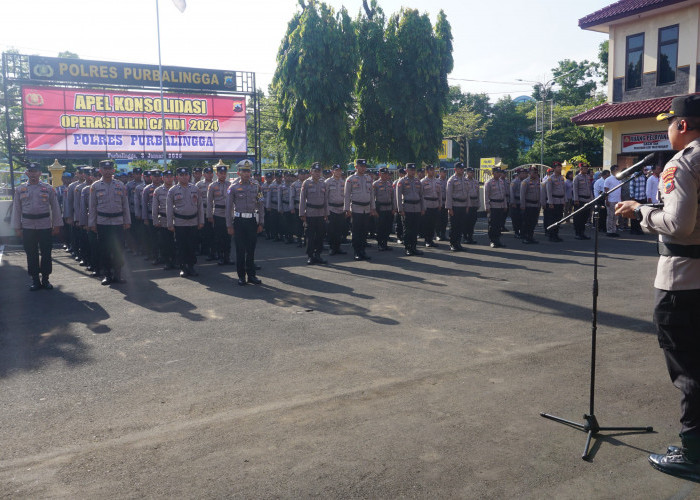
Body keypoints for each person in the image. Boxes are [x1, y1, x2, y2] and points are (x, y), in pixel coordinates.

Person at [615, 94, 700, 481]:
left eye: (669, 122)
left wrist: (641, 211)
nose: (667, 129)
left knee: (688, 369)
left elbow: (679, 226)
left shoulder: (683, 163)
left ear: (682, 125)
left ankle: (694, 454)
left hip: (683, 282)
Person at [11, 162, 63, 290]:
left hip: (44, 225)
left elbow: (55, 208)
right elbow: (16, 209)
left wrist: (56, 225)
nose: (33, 174)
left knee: (46, 253)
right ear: (26, 173)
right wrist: (17, 227)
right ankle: (35, 280)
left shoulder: (48, 188)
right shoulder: (20, 189)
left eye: (35, 171)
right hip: (28, 226)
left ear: (40, 173)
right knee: (31, 254)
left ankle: (45, 279)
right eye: (30, 171)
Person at [88, 160, 131, 285]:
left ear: (113, 170)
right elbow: (92, 206)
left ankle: (118, 274)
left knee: (119, 249)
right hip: (102, 222)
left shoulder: (120, 185)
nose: (107, 171)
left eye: (109, 169)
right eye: (104, 169)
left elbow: (125, 205)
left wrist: (127, 221)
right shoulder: (95, 186)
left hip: (118, 222)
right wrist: (92, 223)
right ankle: (107, 274)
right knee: (104, 249)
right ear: (100, 170)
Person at [226, 160, 264, 285]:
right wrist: (229, 225)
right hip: (239, 221)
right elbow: (229, 208)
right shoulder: (233, 188)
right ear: (238, 173)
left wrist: (261, 223)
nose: (247, 174)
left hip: (252, 221)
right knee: (240, 250)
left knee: (251, 250)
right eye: (244, 171)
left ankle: (252, 275)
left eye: (248, 171)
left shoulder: (256, 186)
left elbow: (260, 205)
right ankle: (241, 276)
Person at [166, 167, 204, 278]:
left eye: (186, 175)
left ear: (189, 176)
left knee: (192, 246)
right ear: (177, 177)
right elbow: (169, 208)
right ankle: (183, 267)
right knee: (181, 246)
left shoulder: (195, 189)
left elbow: (200, 206)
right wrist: (170, 224)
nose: (184, 177)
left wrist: (201, 221)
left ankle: (191, 266)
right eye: (181, 175)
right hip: (180, 223)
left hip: (193, 222)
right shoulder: (172, 190)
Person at [344, 159, 375, 261]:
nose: (363, 168)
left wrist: (373, 208)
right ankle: (357, 252)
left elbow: (371, 195)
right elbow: (347, 195)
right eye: (360, 166)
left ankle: (363, 251)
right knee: (356, 231)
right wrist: (347, 209)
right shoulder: (350, 179)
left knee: (364, 231)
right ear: (356, 167)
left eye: (364, 166)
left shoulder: (368, 179)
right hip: (356, 209)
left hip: (366, 209)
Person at [299, 163, 328, 264]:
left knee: (320, 236)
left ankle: (318, 255)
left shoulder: (323, 183)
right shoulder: (306, 183)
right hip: (310, 213)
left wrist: (326, 213)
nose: (317, 173)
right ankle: (310, 256)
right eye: (315, 171)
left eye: (319, 171)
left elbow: (325, 199)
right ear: (311, 172)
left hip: (320, 213)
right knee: (310, 236)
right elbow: (302, 199)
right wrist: (302, 213)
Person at [396, 163, 424, 256]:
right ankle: (408, 248)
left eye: (414, 170)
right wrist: (400, 209)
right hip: (407, 208)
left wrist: (423, 208)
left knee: (415, 229)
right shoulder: (402, 181)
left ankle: (414, 247)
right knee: (407, 230)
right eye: (411, 170)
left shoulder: (417, 181)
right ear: (406, 170)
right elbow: (398, 197)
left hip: (417, 208)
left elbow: (421, 195)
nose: (413, 171)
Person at [207, 163, 232, 265]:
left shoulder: (230, 185)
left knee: (228, 237)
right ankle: (220, 257)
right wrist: (209, 215)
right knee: (219, 237)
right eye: (221, 173)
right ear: (217, 174)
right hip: (217, 214)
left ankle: (227, 257)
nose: (223, 175)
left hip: (228, 214)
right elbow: (209, 202)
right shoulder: (212, 186)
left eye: (224, 173)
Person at [152, 170, 176, 270]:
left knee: (176, 243)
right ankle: (167, 262)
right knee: (165, 243)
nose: (169, 178)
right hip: (164, 220)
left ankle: (176, 261)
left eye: (170, 177)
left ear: (173, 178)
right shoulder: (158, 191)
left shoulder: (177, 189)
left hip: (177, 220)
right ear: (163, 178)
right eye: (166, 177)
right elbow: (154, 207)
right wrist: (155, 220)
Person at [445, 162, 468, 251]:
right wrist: (449, 208)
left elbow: (467, 193)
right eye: (460, 169)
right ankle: (453, 244)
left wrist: (467, 205)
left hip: (463, 205)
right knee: (454, 226)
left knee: (461, 226)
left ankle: (458, 243)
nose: (462, 170)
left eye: (462, 169)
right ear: (455, 169)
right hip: (455, 206)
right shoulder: (451, 180)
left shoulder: (465, 180)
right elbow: (448, 195)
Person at [325, 164, 347, 256]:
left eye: (340, 170)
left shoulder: (343, 182)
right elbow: (325, 197)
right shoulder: (328, 182)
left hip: (341, 209)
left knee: (339, 229)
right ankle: (332, 248)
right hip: (331, 209)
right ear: (332, 171)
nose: (338, 172)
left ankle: (338, 247)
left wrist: (346, 209)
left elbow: (346, 196)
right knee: (331, 229)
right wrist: (325, 211)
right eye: (336, 170)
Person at [373, 167, 396, 251]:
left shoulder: (390, 183)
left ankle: (385, 243)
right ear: (380, 174)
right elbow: (373, 197)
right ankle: (380, 244)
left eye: (387, 174)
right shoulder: (376, 184)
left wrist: (394, 208)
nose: (386, 175)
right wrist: (374, 210)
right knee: (380, 227)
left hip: (389, 208)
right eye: (384, 174)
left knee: (387, 227)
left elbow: (393, 197)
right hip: (380, 208)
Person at [484, 167, 508, 248]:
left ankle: (498, 240)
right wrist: (487, 207)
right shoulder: (489, 183)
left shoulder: (501, 182)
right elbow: (486, 196)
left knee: (499, 224)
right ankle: (492, 241)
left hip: (500, 205)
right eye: (497, 172)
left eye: (499, 172)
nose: (499, 174)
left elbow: (504, 195)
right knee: (493, 224)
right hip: (493, 206)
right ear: (493, 173)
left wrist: (505, 205)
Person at [420, 164, 441, 248]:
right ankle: (427, 240)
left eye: (434, 170)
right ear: (427, 171)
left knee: (433, 223)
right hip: (427, 204)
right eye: (431, 170)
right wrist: (422, 207)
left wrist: (440, 204)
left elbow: (440, 194)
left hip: (435, 204)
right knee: (427, 224)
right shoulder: (423, 181)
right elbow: (421, 195)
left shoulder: (437, 181)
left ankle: (431, 239)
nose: (433, 171)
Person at [197, 166, 215, 260]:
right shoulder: (199, 185)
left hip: (214, 211)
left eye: (211, 173)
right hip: (203, 211)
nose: (209, 174)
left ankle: (213, 251)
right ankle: (205, 250)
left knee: (214, 233)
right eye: (207, 173)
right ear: (203, 174)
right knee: (205, 232)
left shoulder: (215, 184)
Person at [519, 167, 541, 244]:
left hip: (535, 205)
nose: (535, 173)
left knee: (533, 222)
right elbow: (522, 195)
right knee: (527, 222)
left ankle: (530, 237)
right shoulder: (525, 182)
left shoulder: (538, 181)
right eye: (533, 172)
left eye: (536, 172)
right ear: (529, 173)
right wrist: (522, 205)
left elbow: (539, 193)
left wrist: (539, 204)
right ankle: (525, 237)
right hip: (528, 205)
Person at [545, 162, 566, 242]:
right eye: (558, 167)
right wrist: (550, 202)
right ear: (554, 168)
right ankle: (551, 235)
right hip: (553, 201)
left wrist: (564, 200)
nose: (560, 168)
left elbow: (563, 190)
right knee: (552, 219)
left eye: (560, 167)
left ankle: (556, 235)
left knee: (558, 219)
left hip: (560, 201)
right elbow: (549, 191)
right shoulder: (550, 178)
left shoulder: (561, 178)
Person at [572, 162, 593, 240]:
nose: (586, 169)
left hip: (587, 200)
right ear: (580, 169)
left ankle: (582, 233)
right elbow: (575, 189)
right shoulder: (577, 178)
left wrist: (591, 198)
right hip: (580, 200)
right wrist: (576, 199)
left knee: (585, 217)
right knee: (578, 218)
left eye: (587, 168)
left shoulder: (587, 177)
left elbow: (590, 189)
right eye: (585, 168)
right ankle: (578, 233)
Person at [629, 163, 648, 235]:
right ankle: (633, 229)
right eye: (643, 168)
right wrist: (632, 197)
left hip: (642, 197)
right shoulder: (634, 175)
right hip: (636, 197)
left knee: (640, 215)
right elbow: (631, 187)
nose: (644, 170)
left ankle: (639, 228)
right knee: (634, 214)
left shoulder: (643, 175)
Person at [604, 165, 622, 237]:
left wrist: (620, 200)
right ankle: (609, 231)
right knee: (610, 216)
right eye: (616, 170)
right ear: (612, 171)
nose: (617, 171)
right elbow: (606, 190)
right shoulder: (608, 179)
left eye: (618, 170)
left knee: (615, 216)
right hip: (611, 200)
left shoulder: (619, 179)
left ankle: (614, 230)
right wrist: (607, 200)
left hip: (617, 200)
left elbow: (619, 190)